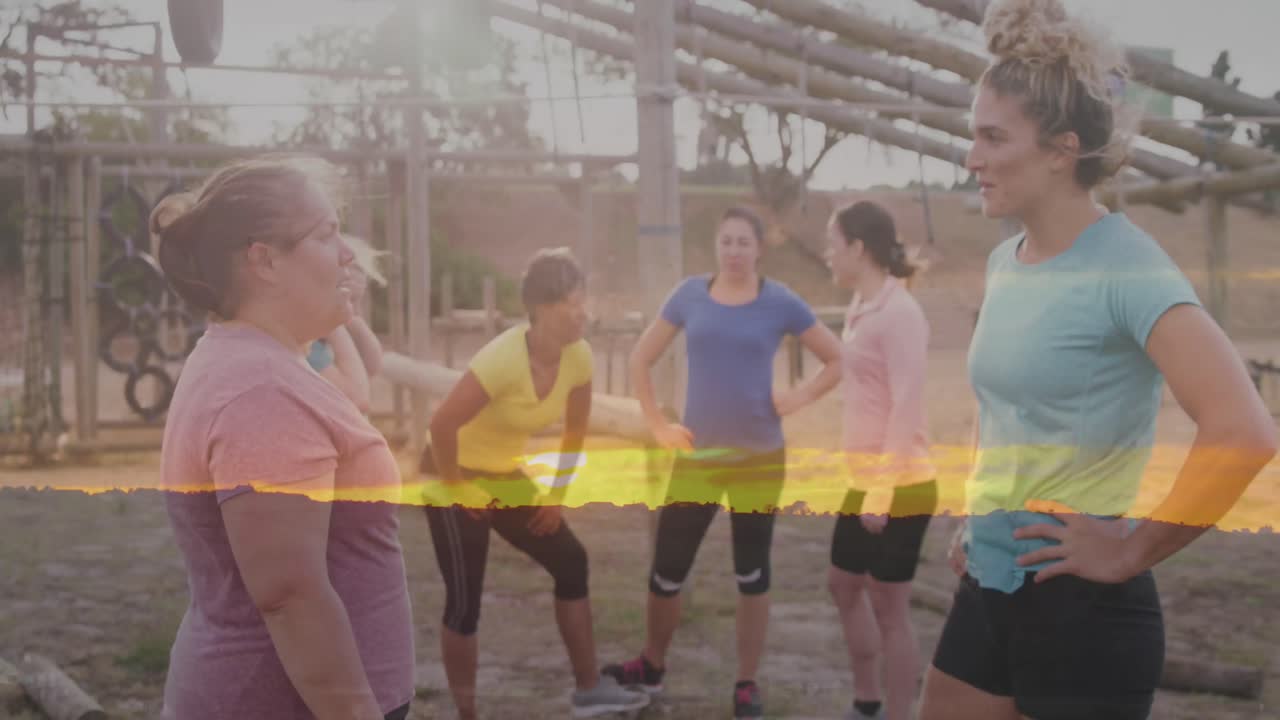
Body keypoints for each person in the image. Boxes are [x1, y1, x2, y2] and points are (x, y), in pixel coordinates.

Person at [919, 2, 1278, 719]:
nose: (972, 158)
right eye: (973, 135)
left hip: (1083, 615)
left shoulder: (1129, 268)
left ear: (1061, 150)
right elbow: (1004, 406)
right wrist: (978, 514)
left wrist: (1128, 551)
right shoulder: (1006, 261)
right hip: (989, 586)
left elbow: (1244, 433)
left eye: (993, 137)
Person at [155, 155, 414, 720]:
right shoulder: (262, 392)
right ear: (264, 260)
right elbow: (290, 597)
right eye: (326, 235)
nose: (348, 254)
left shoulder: (260, 363)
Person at [604, 206, 844, 718]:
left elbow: (836, 358)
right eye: (727, 241)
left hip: (759, 461)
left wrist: (796, 398)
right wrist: (659, 425)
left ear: (759, 249)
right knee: (667, 570)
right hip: (699, 460)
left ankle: (746, 683)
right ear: (717, 246)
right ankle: (652, 664)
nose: (734, 251)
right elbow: (640, 358)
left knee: (752, 574)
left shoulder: (780, 301)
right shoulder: (689, 295)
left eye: (743, 242)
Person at [422, 247, 649, 720]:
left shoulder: (578, 356)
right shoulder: (501, 360)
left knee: (571, 561)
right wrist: (458, 489)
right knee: (465, 599)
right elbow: (442, 425)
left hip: (503, 473)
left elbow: (575, 432)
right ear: (543, 308)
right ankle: (467, 715)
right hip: (451, 471)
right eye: (573, 302)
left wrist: (556, 496)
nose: (583, 312)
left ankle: (589, 691)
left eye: (584, 300)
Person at [824, 201, 936, 720]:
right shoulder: (862, 304)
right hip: (865, 477)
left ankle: (896, 713)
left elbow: (906, 405)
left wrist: (883, 490)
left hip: (902, 483)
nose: (827, 254)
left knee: (890, 605)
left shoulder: (901, 313)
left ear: (857, 248)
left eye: (832, 244)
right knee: (843, 584)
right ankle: (866, 703)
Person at [307, 234, 386, 412]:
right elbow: (357, 399)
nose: (355, 312)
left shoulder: (324, 341)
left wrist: (350, 320)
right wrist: (334, 321)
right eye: (349, 300)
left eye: (358, 301)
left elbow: (372, 365)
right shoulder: (307, 346)